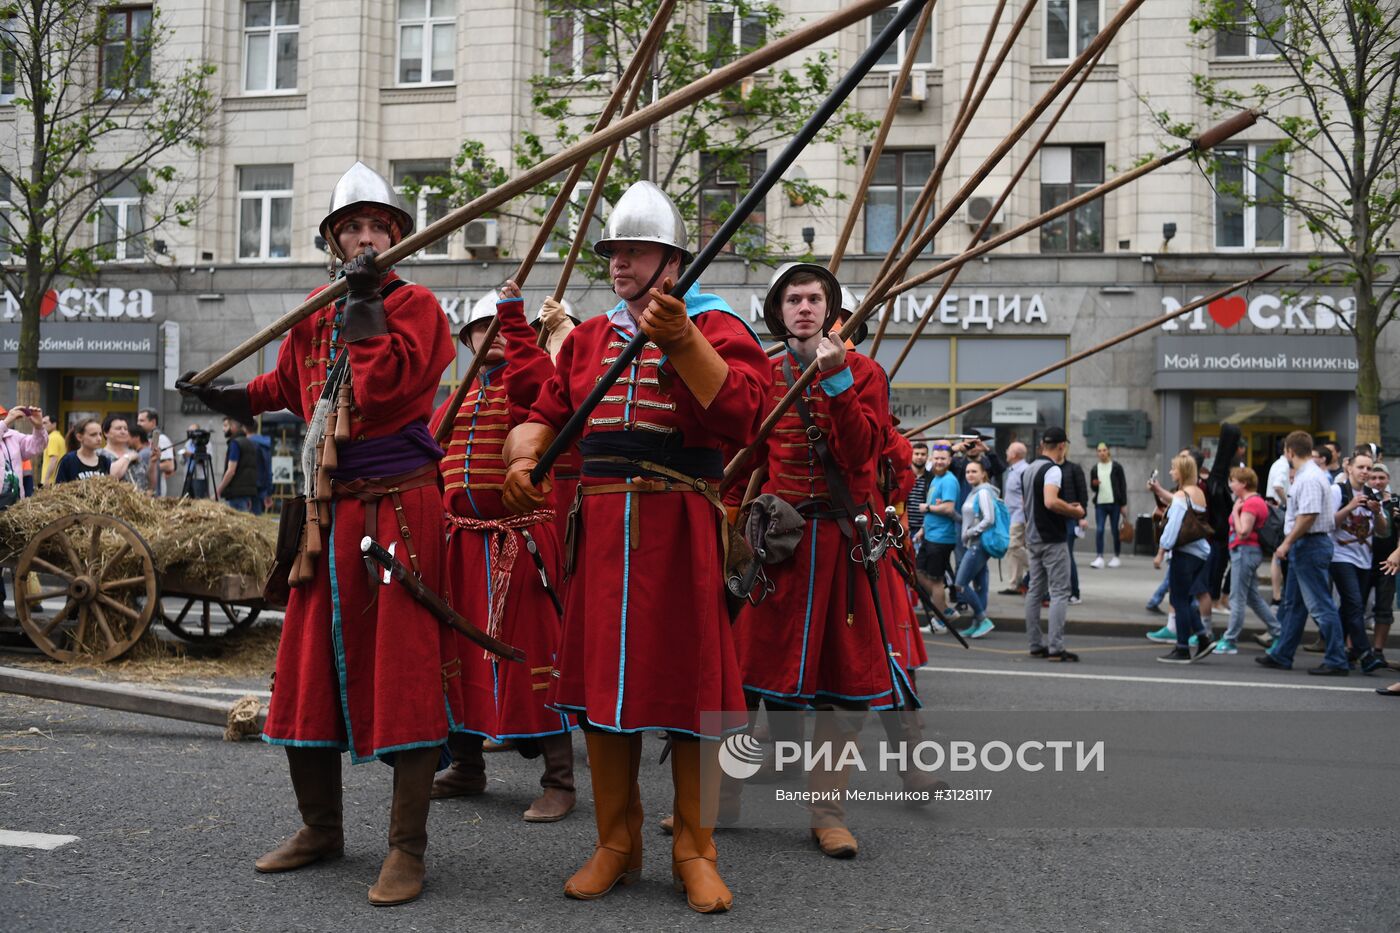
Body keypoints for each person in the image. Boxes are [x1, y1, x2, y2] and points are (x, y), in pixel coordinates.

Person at [179, 162, 462, 906]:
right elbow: (289, 386)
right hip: (323, 512)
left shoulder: (418, 306)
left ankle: (406, 847)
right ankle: (321, 827)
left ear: (397, 238)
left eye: (377, 227)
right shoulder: (318, 306)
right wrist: (227, 394)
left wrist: (365, 307)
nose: (365, 237)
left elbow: (379, 389)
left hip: (398, 508)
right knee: (305, 667)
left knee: (401, 669)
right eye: (351, 228)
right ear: (334, 241)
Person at [499, 180, 768, 913]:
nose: (620, 263)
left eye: (637, 251)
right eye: (614, 252)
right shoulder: (587, 339)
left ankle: (695, 847)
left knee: (692, 685)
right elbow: (545, 412)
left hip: (682, 530)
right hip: (603, 533)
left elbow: (745, 414)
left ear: (674, 262)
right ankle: (616, 841)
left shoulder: (721, 326)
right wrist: (523, 459)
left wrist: (683, 341)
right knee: (601, 691)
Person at [733, 262, 915, 861]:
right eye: (792, 299)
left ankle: (827, 813)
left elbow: (862, 456)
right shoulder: (763, 372)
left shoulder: (864, 372)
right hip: (778, 548)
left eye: (814, 298)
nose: (803, 307)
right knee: (743, 679)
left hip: (843, 546)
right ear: (778, 309)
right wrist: (726, 532)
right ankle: (718, 799)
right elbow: (743, 460)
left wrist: (837, 382)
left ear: (831, 307)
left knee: (846, 690)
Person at [427, 284, 576, 823]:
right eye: (481, 327)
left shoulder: (530, 385)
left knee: (534, 655)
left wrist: (516, 326)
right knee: (462, 654)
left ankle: (559, 779)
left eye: (500, 327)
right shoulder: (454, 399)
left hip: (520, 540)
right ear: (467, 338)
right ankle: (467, 764)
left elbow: (538, 393)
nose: (490, 335)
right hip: (462, 543)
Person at [1256, 430, 1349, 675]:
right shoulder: (1313, 474)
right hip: (1308, 544)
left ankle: (1337, 659)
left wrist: (1286, 543)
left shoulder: (1308, 477)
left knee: (1320, 605)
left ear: (1289, 451)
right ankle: (1282, 654)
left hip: (1309, 545)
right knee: (1295, 603)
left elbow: (1308, 516)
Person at [1022, 427, 1083, 661]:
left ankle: (1035, 644)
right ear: (1061, 446)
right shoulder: (1053, 470)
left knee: (1035, 590)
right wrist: (1074, 510)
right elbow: (1050, 501)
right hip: (1052, 538)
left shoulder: (1029, 469)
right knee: (1059, 592)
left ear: (1041, 446)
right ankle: (1056, 647)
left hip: (1033, 536)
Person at [1326, 447, 1387, 672]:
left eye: (1368, 468)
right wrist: (1351, 506)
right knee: (1354, 604)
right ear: (1349, 467)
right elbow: (1329, 522)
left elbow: (1383, 531)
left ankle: (1340, 652)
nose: (1365, 472)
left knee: (1349, 608)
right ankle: (1365, 654)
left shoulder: (1373, 494)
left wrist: (1378, 511)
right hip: (1341, 556)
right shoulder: (1337, 490)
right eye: (1360, 467)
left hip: (1364, 558)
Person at [1154, 453, 1217, 662]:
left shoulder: (1182, 496)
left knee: (1178, 600)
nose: (1171, 472)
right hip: (1200, 553)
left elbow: (1172, 529)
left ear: (1181, 472)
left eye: (1173, 468)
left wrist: (1162, 548)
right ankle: (1202, 638)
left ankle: (1182, 648)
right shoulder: (1197, 492)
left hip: (1186, 554)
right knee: (1187, 600)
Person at [1217, 467, 1279, 654]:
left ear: (1243, 484)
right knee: (1252, 597)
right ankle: (1278, 631)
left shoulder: (1250, 503)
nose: (1231, 484)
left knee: (1237, 598)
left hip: (1244, 551)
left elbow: (1243, 532)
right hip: (1246, 552)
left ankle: (1230, 640)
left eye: (1233, 481)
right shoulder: (1250, 501)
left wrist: (1236, 512)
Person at [954, 459, 999, 639]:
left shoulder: (983, 492)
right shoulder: (975, 492)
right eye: (967, 472)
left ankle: (982, 618)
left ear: (983, 474)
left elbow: (989, 519)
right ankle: (977, 623)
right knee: (980, 585)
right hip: (973, 543)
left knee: (960, 584)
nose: (970, 475)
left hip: (978, 544)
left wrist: (970, 532)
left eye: (974, 471)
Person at [917, 444, 959, 616]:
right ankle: (944, 611)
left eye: (943, 458)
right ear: (931, 459)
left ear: (949, 461)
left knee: (936, 580)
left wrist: (927, 508)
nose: (939, 461)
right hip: (931, 535)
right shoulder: (935, 479)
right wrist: (923, 529)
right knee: (918, 572)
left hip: (941, 539)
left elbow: (949, 508)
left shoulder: (949, 480)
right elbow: (937, 507)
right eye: (936, 458)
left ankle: (942, 616)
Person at [1368, 463, 1398, 668]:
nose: (1377, 481)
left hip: (1388, 562)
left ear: (1387, 478)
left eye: (1381, 477)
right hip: (1363, 560)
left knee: (1384, 608)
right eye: (1374, 477)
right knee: (1355, 606)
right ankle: (1356, 650)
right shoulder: (1362, 499)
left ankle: (1378, 652)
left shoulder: (1396, 501)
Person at [1089, 442, 1127, 568]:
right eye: (1099, 451)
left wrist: (1123, 504)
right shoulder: (1095, 468)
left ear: (1108, 451)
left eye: (1104, 450)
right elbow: (1093, 488)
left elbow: (1122, 486)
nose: (1102, 453)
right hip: (1100, 503)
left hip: (1114, 503)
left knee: (1115, 530)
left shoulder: (1116, 467)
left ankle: (1116, 556)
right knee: (1099, 530)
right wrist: (1094, 484)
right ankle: (1099, 556)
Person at [55, 418, 127, 483]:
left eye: (100, 434)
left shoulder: (104, 461)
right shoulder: (69, 460)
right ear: (79, 437)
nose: (99, 438)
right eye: (93, 435)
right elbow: (59, 488)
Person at [1059, 449, 1089, 604]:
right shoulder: (1050, 469)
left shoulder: (1074, 468)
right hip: (1055, 518)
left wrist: (1082, 516)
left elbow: (1082, 493)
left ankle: (1074, 592)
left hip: (1070, 518)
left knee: (1067, 554)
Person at [1000, 441, 1030, 594]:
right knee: (1012, 550)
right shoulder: (1012, 470)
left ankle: (1036, 566)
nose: (1006, 452)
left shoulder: (1025, 470)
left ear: (1014, 454)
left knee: (1014, 547)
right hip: (1011, 516)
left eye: (1008, 450)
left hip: (1019, 517)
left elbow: (1027, 496)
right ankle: (1015, 584)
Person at [216, 417, 259, 511]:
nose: (223, 429)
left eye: (226, 425)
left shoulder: (235, 443)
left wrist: (219, 490)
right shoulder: (249, 443)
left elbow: (231, 471)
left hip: (236, 495)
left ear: (233, 426)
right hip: (245, 495)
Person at [137, 409, 176, 495]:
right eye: (138, 420)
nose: (138, 424)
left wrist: (148, 467)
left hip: (157, 489)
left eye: (142, 421)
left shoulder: (161, 439)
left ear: (153, 422)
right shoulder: (146, 439)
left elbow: (169, 465)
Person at [101, 415, 143, 487]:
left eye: (126, 429)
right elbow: (112, 477)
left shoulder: (134, 453)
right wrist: (127, 457)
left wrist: (153, 463)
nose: (123, 432)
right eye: (118, 428)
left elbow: (149, 483)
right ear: (106, 432)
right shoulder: (99, 455)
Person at [906, 441, 930, 541]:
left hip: (924, 529)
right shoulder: (903, 476)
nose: (919, 457)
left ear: (927, 456)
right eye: (916, 454)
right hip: (904, 526)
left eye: (923, 454)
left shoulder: (932, 478)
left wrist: (923, 528)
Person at [39, 414, 65, 487]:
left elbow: (53, 459)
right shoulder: (59, 437)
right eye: (42, 423)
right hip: (57, 480)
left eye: (45, 423)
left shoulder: (52, 438)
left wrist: (46, 479)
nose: (43, 426)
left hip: (50, 482)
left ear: (54, 424)